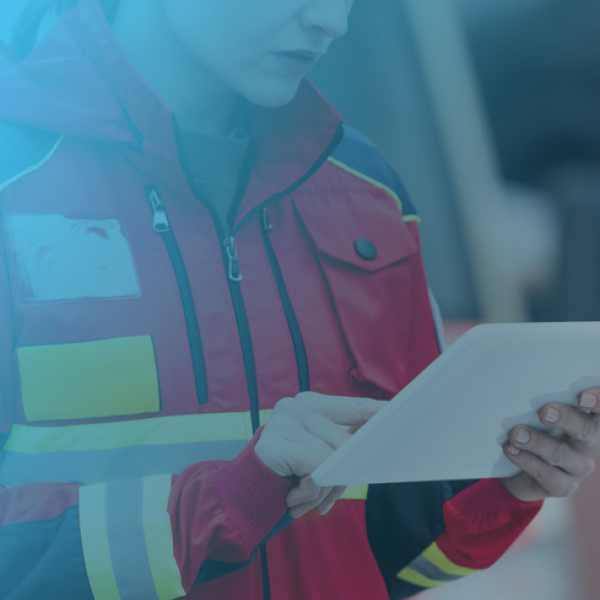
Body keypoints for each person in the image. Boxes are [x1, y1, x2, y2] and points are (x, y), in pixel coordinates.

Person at [0, 1, 599, 599]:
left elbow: (384, 551)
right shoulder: (13, 176)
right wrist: (226, 505)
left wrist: (509, 479)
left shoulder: (368, 191)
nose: (331, 22)